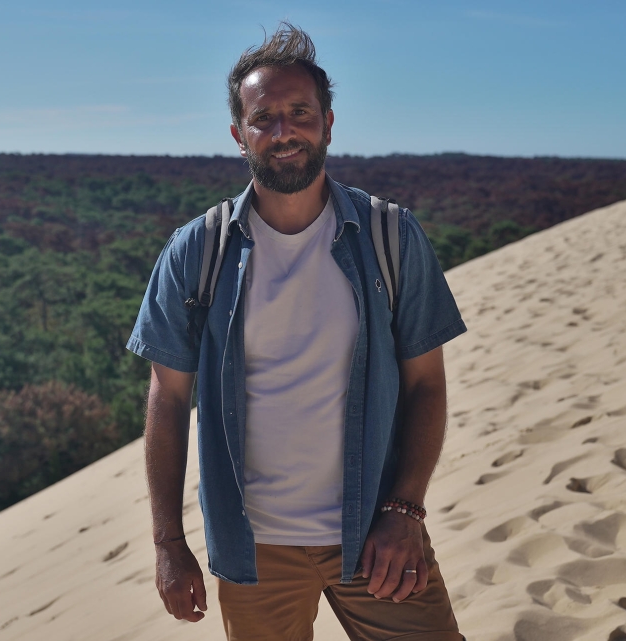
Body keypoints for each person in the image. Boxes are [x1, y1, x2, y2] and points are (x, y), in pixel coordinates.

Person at [126, 23, 467, 641]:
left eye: (299, 112)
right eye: (264, 118)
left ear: (328, 122)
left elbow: (427, 386)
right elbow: (168, 401)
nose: (283, 131)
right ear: (239, 135)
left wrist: (405, 510)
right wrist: (168, 543)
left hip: (377, 534)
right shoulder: (197, 251)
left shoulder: (391, 236)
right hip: (255, 553)